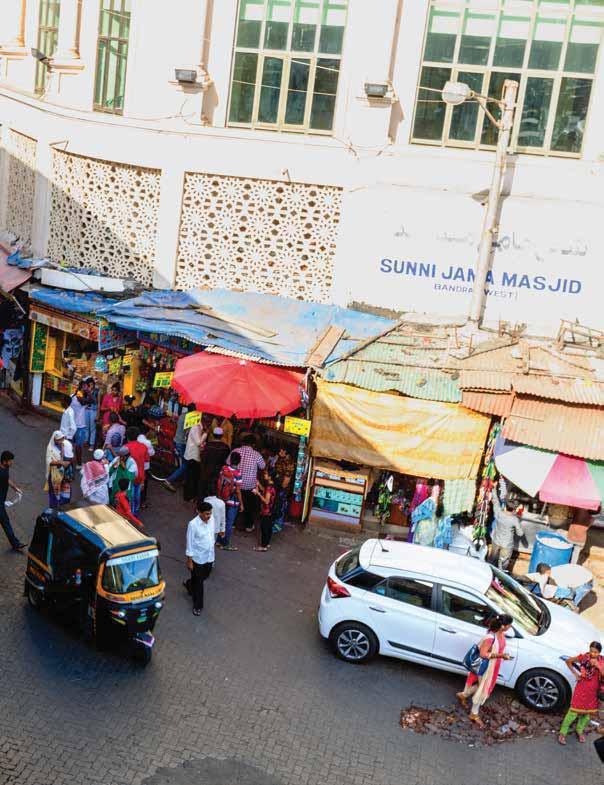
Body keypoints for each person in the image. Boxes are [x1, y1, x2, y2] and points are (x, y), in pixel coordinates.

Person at [456, 614, 514, 727]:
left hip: (493, 666)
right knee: (483, 689)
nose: (510, 627)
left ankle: (463, 695)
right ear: (503, 626)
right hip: (486, 667)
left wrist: (501, 656)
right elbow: (483, 654)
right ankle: (474, 713)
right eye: (509, 625)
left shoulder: (501, 634)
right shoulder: (490, 638)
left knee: (482, 686)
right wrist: (501, 655)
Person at [559, 641, 604, 745]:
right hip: (582, 689)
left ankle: (579, 730)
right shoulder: (584, 657)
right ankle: (563, 732)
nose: (593, 654)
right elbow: (568, 661)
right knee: (573, 713)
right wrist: (575, 674)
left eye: (596, 652)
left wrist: (598, 666)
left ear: (599, 652)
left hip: (593, 693)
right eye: (591, 651)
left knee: (587, 714)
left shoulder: (602, 661)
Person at [185, 500, 217, 616]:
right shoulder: (193, 524)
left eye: (210, 513)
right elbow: (189, 542)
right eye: (207, 514)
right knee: (199, 584)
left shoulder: (212, 519)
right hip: (198, 558)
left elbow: (212, 535)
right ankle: (198, 606)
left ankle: (189, 584)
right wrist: (189, 560)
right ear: (199, 512)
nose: (209, 516)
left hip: (209, 557)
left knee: (204, 577)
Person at [229, 434, 265, 533]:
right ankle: (248, 525)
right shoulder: (257, 455)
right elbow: (263, 466)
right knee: (250, 506)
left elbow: (228, 462)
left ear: (243, 442)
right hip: (250, 486)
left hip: (236, 484)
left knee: (234, 504)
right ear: (253, 444)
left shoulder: (235, 451)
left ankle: (232, 523)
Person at [488, 479, 524, 571]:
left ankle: (489, 574)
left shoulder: (499, 512)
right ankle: (500, 580)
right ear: (514, 509)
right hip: (507, 544)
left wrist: (494, 488)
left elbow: (495, 500)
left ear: (505, 506)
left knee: (492, 561)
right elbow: (520, 533)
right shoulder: (514, 519)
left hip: (496, 540)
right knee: (503, 565)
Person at [527, 562, 593, 609]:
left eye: (543, 575)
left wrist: (554, 597)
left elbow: (567, 592)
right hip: (582, 574)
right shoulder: (554, 569)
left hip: (586, 582)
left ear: (547, 572)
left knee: (572, 604)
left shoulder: (558, 577)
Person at [162, 403, 196, 492]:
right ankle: (169, 480)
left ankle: (184, 481)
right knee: (185, 465)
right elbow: (188, 433)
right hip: (182, 443)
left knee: (184, 463)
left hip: (177, 440)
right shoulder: (190, 418)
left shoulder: (182, 415)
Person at [216, 452, 244, 551]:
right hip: (232, 501)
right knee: (229, 523)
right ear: (239, 462)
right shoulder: (238, 473)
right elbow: (238, 490)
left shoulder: (224, 468)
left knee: (221, 520)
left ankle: (218, 540)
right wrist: (241, 504)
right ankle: (225, 543)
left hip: (222, 499)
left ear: (230, 460)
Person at [0, 450, 26, 551]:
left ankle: (15, 544)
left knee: (5, 523)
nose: (12, 463)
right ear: (4, 461)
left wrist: (15, 488)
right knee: (6, 523)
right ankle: (16, 544)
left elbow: (7, 479)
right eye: (10, 461)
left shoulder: (5, 469)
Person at [45, 430, 74, 508]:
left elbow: (70, 457)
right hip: (55, 474)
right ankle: (53, 511)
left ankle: (63, 509)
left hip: (64, 474)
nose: (60, 441)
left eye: (61, 439)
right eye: (58, 439)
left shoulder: (66, 445)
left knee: (65, 495)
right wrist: (61, 463)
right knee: (54, 495)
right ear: (54, 439)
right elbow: (49, 461)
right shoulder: (50, 448)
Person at [199, 426, 230, 500]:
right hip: (219, 472)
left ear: (213, 435)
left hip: (207, 470)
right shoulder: (225, 447)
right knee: (216, 489)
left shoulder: (208, 445)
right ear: (222, 436)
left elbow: (202, 457)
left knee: (204, 488)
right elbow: (227, 461)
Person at [124, 426, 148, 515]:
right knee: (137, 496)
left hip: (129, 476)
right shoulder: (144, 447)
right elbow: (146, 464)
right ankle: (135, 513)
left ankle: (132, 514)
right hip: (140, 476)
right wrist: (143, 481)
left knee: (131, 497)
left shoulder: (126, 447)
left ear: (127, 437)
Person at [183, 420, 207, 502]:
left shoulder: (199, 426)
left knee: (193, 477)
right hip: (192, 456)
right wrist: (205, 434)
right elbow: (198, 442)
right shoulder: (195, 427)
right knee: (191, 478)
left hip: (195, 455)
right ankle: (188, 497)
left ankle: (190, 496)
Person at [272, 448, 294, 533]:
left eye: (281, 451)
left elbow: (287, 478)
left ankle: (278, 524)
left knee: (280, 505)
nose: (279, 452)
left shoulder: (289, 462)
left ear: (285, 452)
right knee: (277, 505)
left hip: (282, 488)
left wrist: (282, 488)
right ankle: (275, 522)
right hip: (278, 486)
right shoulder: (281, 459)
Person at [253, 470, 276, 552]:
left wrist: (258, 494)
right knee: (269, 527)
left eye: (266, 474)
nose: (264, 475)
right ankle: (267, 543)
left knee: (264, 528)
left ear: (270, 476)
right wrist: (259, 484)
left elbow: (266, 501)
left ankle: (263, 546)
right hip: (271, 510)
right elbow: (265, 491)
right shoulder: (272, 485)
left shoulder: (269, 487)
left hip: (266, 510)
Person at [69, 383, 88, 467]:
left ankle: (69, 460)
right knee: (78, 446)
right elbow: (93, 400)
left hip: (71, 424)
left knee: (70, 444)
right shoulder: (84, 400)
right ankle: (79, 464)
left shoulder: (72, 396)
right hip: (80, 426)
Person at [137, 429, 155, 507]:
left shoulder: (136, 439)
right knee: (144, 484)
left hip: (135, 465)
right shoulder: (147, 442)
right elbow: (152, 453)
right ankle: (142, 502)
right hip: (144, 466)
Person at [83, 376, 99, 450]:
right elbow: (85, 400)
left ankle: (92, 444)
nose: (89, 386)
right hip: (87, 409)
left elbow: (96, 402)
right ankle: (86, 441)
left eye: (90, 384)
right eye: (88, 385)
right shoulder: (86, 391)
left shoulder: (96, 391)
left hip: (93, 410)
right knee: (86, 426)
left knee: (92, 428)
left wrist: (98, 415)